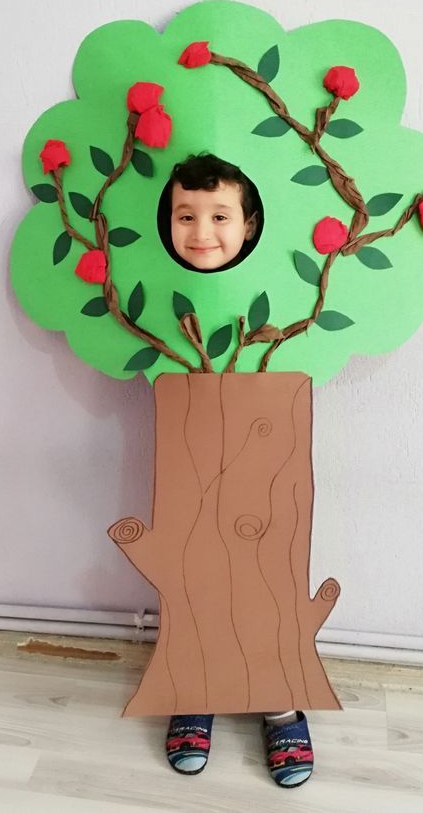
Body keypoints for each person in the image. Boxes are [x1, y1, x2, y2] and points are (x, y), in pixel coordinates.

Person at [163, 153, 315, 788]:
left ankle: (278, 699)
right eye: (186, 215)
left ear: (250, 225)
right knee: (193, 571)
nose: (202, 231)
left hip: (268, 450)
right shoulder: (161, 301)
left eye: (220, 215)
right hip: (189, 453)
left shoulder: (281, 284)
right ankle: (194, 684)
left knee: (265, 575)